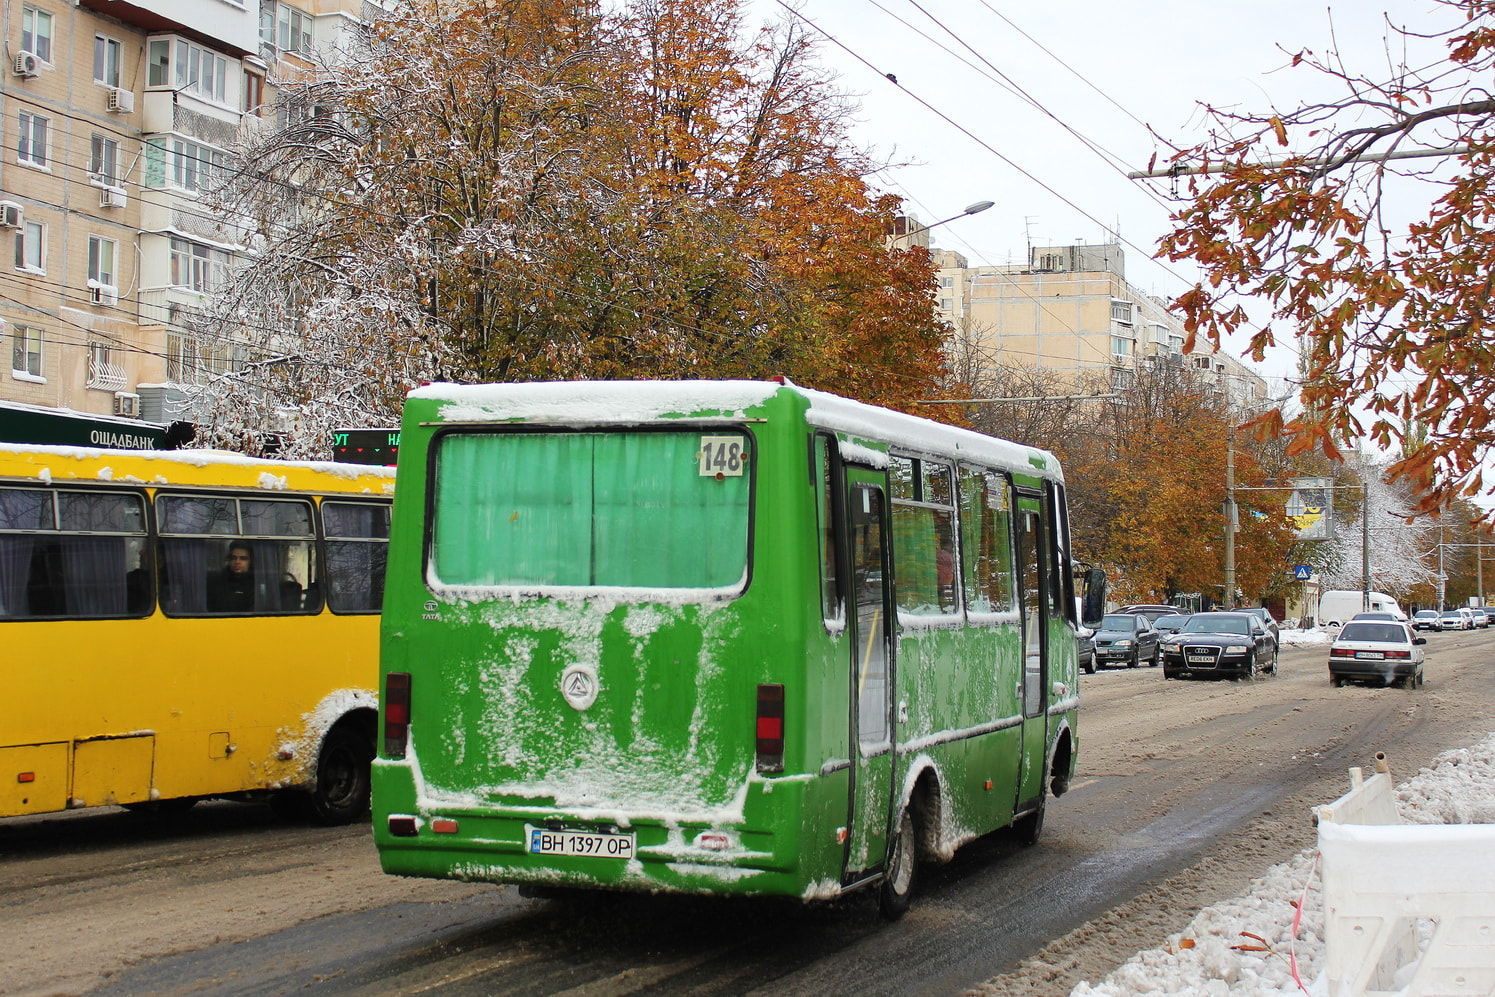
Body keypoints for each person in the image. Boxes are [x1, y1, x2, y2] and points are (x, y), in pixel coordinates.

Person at [206, 541, 255, 612]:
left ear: (250, 561)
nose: (237, 562)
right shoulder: (216, 581)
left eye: (243, 558)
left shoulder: (257, 582)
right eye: (233, 558)